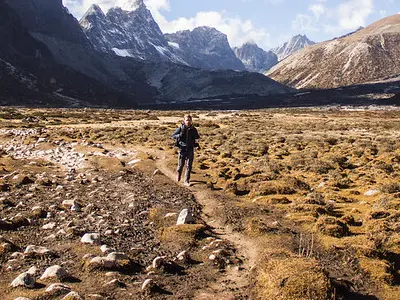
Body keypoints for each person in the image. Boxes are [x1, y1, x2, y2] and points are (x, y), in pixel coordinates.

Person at [172, 114, 200, 186]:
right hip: (182, 149)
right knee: (181, 165)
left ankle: (186, 181)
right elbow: (173, 136)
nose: (188, 121)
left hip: (190, 149)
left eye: (189, 120)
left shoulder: (193, 129)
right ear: (184, 120)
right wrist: (179, 135)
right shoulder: (180, 128)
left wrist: (195, 136)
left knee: (189, 166)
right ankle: (178, 174)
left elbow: (197, 137)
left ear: (191, 121)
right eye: (187, 120)